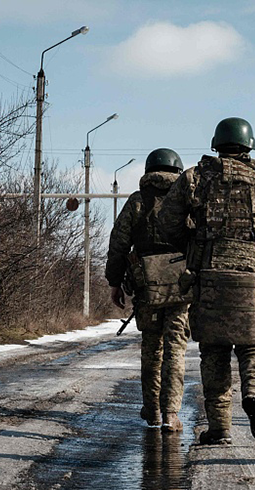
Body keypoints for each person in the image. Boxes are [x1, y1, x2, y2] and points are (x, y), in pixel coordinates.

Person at [159, 118, 255, 445]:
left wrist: (192, 245)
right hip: (254, 276)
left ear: (216, 144)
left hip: (209, 275)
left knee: (214, 351)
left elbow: (166, 220)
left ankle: (220, 427)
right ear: (249, 145)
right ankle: (254, 395)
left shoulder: (194, 177)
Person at [105, 148, 189, 431]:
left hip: (147, 287)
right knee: (175, 350)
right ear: (177, 171)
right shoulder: (187, 200)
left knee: (152, 348)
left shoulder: (137, 202)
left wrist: (114, 282)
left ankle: (152, 410)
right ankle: (171, 414)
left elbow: (118, 244)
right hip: (181, 287)